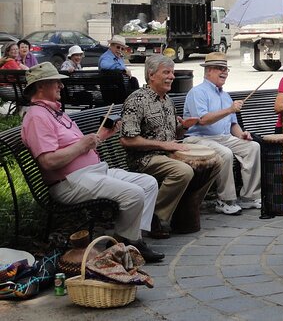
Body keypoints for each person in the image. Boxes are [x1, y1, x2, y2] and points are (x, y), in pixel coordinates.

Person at [20, 62, 164, 262]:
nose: (61, 86)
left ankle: (128, 241)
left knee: (148, 184)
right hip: (69, 183)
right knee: (135, 194)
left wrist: (102, 136)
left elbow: (77, 147)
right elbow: (48, 161)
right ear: (41, 86)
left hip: (91, 173)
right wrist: (82, 145)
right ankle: (126, 246)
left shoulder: (53, 112)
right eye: (56, 83)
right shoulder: (37, 117)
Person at [120, 55, 218, 238]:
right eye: (166, 72)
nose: (172, 76)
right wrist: (163, 145)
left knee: (215, 162)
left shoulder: (167, 100)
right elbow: (127, 140)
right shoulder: (136, 100)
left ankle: (189, 204)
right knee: (183, 172)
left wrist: (185, 126)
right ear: (151, 75)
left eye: (172, 72)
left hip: (168, 154)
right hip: (144, 159)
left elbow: (174, 135)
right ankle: (155, 216)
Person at [183, 52, 262, 215]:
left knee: (252, 147)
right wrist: (230, 109)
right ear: (208, 71)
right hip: (198, 139)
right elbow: (203, 120)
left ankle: (249, 197)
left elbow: (233, 124)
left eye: (226, 69)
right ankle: (225, 200)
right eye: (220, 68)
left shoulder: (225, 96)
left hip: (223, 138)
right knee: (225, 153)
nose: (224, 72)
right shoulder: (197, 92)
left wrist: (241, 135)